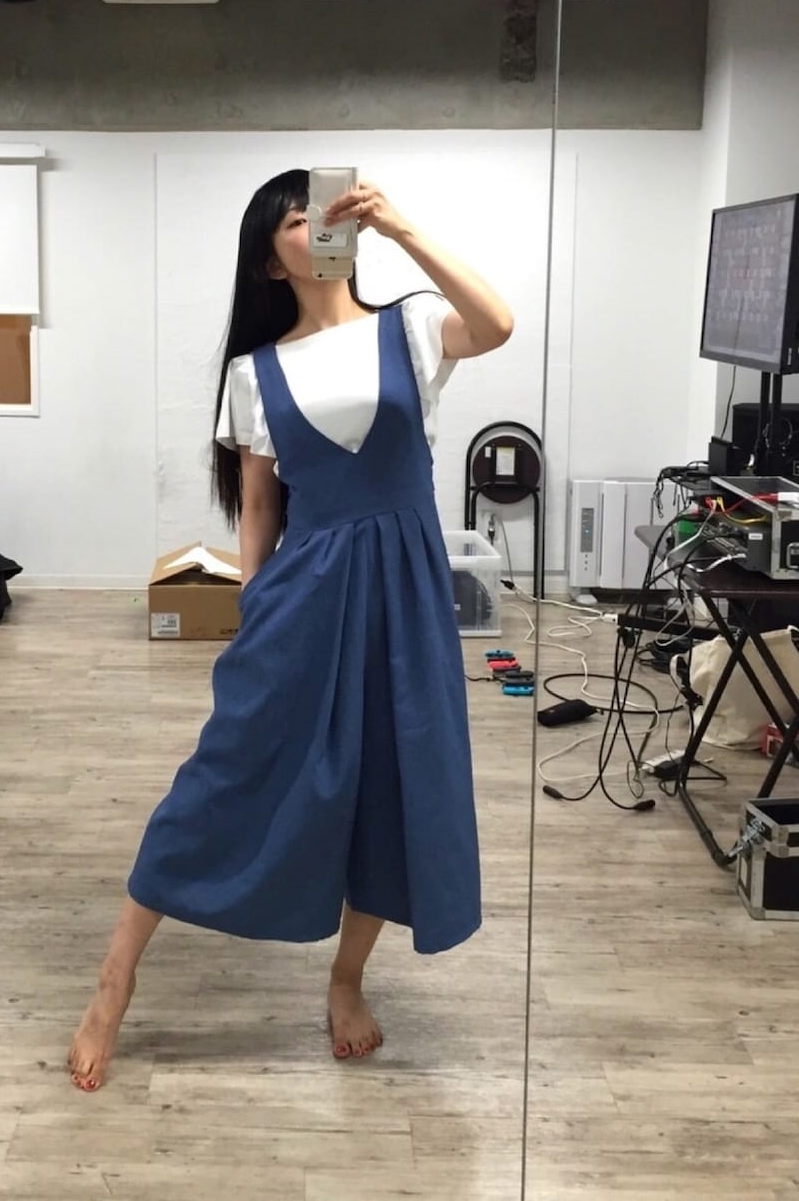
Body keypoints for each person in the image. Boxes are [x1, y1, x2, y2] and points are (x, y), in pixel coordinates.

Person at [68, 170, 514, 1092]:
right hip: (302, 594)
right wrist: (253, 618)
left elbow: (498, 323)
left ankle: (346, 979)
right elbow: (261, 509)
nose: (320, 226)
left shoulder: (412, 327)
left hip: (404, 596)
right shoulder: (254, 373)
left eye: (326, 210)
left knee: (391, 785)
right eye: (296, 220)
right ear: (270, 263)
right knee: (223, 775)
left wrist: (400, 226)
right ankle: (115, 977)